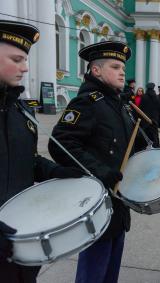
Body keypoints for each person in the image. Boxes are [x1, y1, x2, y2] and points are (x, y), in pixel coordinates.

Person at [48, 41, 140, 283]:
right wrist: (101, 171)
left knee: (110, 270)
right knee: (94, 272)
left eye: (123, 67)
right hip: (96, 201)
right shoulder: (88, 102)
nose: (122, 71)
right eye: (115, 66)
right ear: (96, 70)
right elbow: (60, 144)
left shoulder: (119, 105)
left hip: (118, 201)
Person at [0, 20, 83, 283]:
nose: (25, 68)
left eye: (26, 59)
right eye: (16, 59)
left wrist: (56, 171)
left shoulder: (19, 111)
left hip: (21, 236)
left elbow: (27, 161)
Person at [139, 82, 160, 148]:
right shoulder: (156, 97)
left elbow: (141, 109)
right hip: (154, 122)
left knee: (145, 139)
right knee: (154, 138)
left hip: (145, 122)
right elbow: (159, 109)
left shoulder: (143, 97)